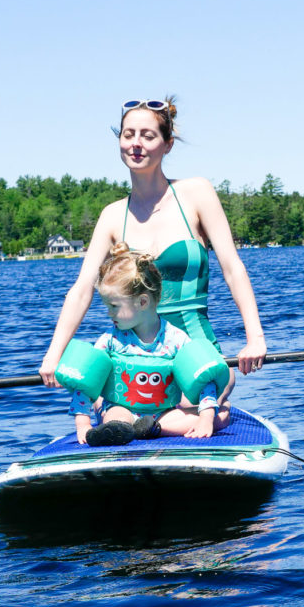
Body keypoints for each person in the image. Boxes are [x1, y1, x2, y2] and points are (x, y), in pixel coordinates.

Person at [40, 96, 267, 438]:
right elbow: (83, 287)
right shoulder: (112, 215)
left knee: (210, 411)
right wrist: (54, 355)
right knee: (117, 408)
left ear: (167, 144)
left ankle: (159, 424)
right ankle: (136, 423)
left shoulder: (197, 193)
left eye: (147, 135)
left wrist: (255, 338)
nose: (136, 143)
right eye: (128, 134)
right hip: (133, 358)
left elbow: (232, 267)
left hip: (194, 347)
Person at [72, 246, 230, 445]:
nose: (108, 313)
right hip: (121, 408)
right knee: (115, 418)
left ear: (143, 302)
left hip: (165, 413)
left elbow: (204, 377)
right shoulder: (110, 340)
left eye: (114, 306)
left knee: (197, 419)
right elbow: (86, 382)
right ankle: (122, 430)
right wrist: (83, 425)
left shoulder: (176, 339)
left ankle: (153, 429)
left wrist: (206, 419)